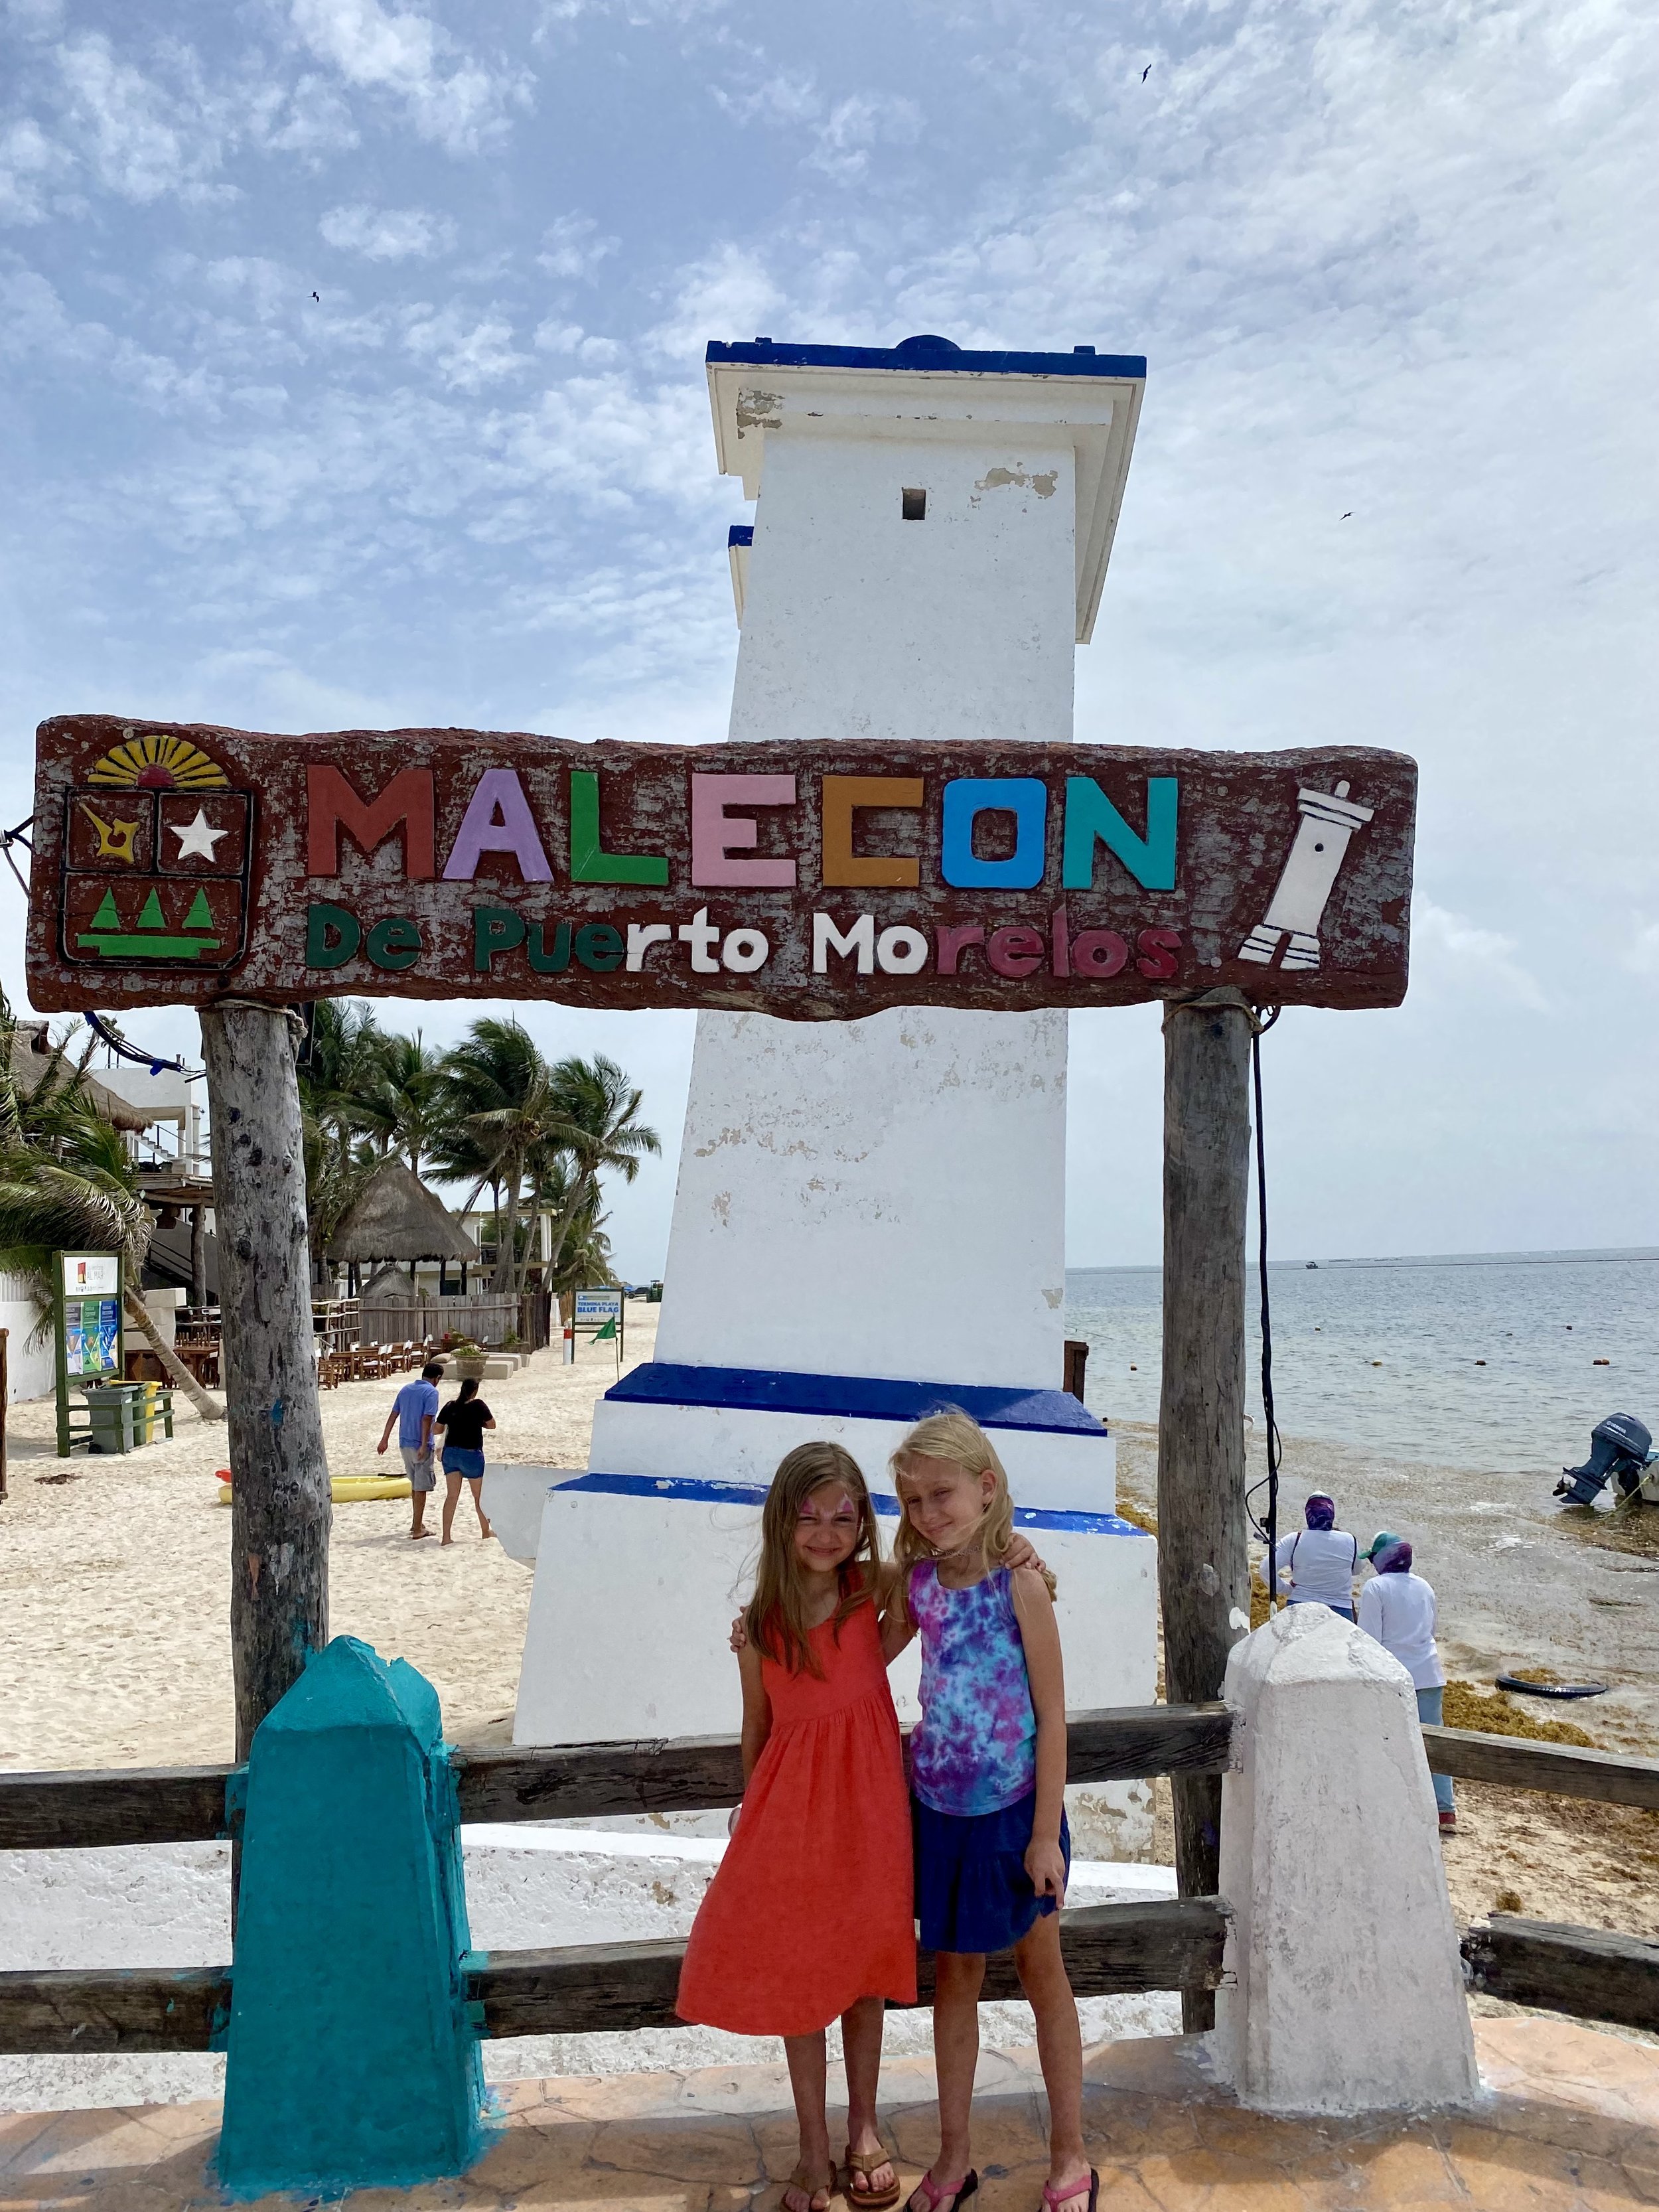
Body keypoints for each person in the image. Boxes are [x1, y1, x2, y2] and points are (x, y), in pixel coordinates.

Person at [677, 1443, 915, 2212]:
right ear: (782, 1520)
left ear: (861, 1524)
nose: (824, 1532)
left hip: (870, 1812)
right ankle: (813, 2144)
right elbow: (758, 1728)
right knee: (799, 1976)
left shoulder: (870, 1590)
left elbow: (937, 1579)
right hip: (789, 1821)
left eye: (842, 1516)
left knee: (865, 1972)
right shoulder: (760, 1626)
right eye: (808, 1516)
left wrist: (1023, 1556)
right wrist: (757, 1820)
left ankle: (865, 2129)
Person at [887, 1410, 1096, 2212]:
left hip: (1013, 1816)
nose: (927, 1513)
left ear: (986, 1487)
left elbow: (1053, 1716)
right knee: (953, 1982)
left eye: (941, 1494)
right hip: (938, 1812)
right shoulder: (916, 1586)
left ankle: (1069, 2155)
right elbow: (858, 1653)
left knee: (1043, 1974)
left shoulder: (1022, 1583)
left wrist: (1045, 1834)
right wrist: (765, 1641)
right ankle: (952, 2158)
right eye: (910, 1501)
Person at [1358, 1534, 1457, 1834]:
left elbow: (1369, 1638)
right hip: (1429, 1674)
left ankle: (1394, 1802)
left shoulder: (1375, 1587)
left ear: (1382, 1559)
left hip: (1393, 1676)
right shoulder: (1425, 1586)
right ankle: (1445, 1811)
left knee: (1388, 1740)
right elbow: (1433, 1629)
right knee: (1435, 1744)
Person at [376, 1358, 443, 1539]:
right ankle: (418, 1528)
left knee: (415, 1486)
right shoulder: (431, 1393)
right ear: (437, 1378)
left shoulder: (406, 1389)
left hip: (404, 1443)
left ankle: (417, 1523)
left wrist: (384, 1440)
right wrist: (423, 1444)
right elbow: (427, 1419)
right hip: (420, 1444)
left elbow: (393, 1415)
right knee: (421, 1488)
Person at [1271, 1493, 1360, 1618]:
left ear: (1308, 1514)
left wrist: (1285, 1589)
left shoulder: (1294, 1539)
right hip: (1340, 1609)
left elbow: (1266, 1568)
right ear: (1332, 1514)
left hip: (1299, 1606)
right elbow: (1356, 1570)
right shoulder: (1350, 1540)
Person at [435, 1376, 495, 1544]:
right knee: (479, 1498)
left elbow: (437, 1429)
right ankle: (485, 1531)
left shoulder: (450, 1405)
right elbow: (492, 1425)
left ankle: (446, 1537)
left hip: (451, 1454)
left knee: (452, 1496)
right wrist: (478, 1423)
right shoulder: (478, 1405)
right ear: (475, 1391)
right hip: (471, 1454)